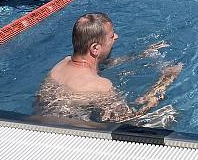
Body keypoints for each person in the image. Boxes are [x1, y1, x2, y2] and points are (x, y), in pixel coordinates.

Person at [35, 13, 182, 124]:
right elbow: (127, 118)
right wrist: (165, 81)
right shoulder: (100, 85)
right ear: (95, 48)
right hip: (72, 135)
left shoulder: (61, 65)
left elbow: (102, 64)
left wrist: (141, 55)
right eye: (111, 36)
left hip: (41, 126)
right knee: (170, 115)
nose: (116, 37)